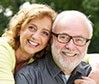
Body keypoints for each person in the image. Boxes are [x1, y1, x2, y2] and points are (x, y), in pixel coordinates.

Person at [15, 10, 96, 84]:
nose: (70, 47)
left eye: (79, 40)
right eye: (63, 37)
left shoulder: (93, 75)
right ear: (51, 39)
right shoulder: (28, 76)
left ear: (87, 44)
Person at [0, 3, 57, 84]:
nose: (36, 37)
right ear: (19, 28)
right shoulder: (2, 49)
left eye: (45, 33)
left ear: (49, 40)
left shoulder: (40, 59)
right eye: (32, 28)